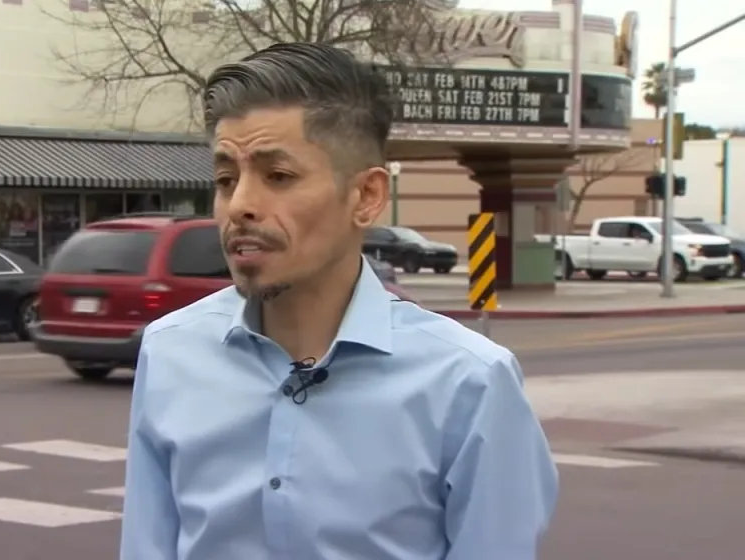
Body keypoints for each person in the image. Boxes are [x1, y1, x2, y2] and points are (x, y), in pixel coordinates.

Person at [119, 43, 558, 560]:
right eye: (225, 179)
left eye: (278, 176)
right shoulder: (171, 352)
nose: (240, 206)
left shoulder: (470, 383)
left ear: (367, 196)